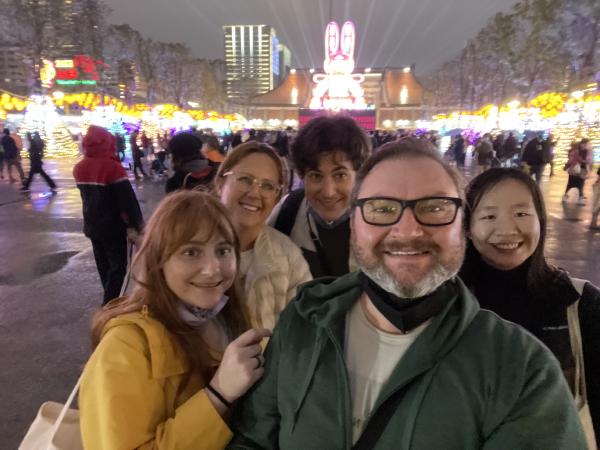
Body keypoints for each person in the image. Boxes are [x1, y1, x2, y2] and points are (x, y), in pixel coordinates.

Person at [228, 138, 586, 449]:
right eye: (382, 209)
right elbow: (254, 438)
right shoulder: (303, 321)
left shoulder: (521, 370)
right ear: (354, 223)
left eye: (434, 208)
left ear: (462, 226)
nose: (409, 229)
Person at [79, 190, 271, 449]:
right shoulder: (124, 348)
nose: (212, 268)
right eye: (191, 252)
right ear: (159, 260)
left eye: (223, 250)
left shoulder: (234, 316)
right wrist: (218, 395)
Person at [461, 167, 600, 446]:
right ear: (468, 228)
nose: (507, 230)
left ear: (541, 220)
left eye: (522, 214)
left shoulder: (580, 302)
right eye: (489, 216)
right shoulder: (448, 303)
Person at [214, 142, 312, 330]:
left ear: (276, 198)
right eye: (244, 179)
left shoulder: (287, 257)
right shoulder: (183, 242)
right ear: (220, 183)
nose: (254, 193)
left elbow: (303, 330)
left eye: (268, 186)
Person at [269, 115, 371, 278]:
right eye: (316, 176)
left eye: (340, 175)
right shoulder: (287, 212)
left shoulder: (381, 222)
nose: (328, 192)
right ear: (304, 178)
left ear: (359, 175)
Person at [73, 125, 144, 304]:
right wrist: (137, 225)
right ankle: (110, 303)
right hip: (113, 227)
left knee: (104, 266)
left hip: (92, 226)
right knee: (118, 267)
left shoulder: (79, 167)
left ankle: (109, 296)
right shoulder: (112, 168)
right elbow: (127, 201)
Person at [564, 139, 593, 205]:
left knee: (580, 185)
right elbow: (571, 159)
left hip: (582, 170)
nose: (585, 146)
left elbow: (589, 161)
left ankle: (580, 198)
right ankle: (566, 196)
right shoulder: (576, 151)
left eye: (586, 144)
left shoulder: (588, 152)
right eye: (584, 144)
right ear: (580, 144)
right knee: (570, 184)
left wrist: (584, 162)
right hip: (574, 170)